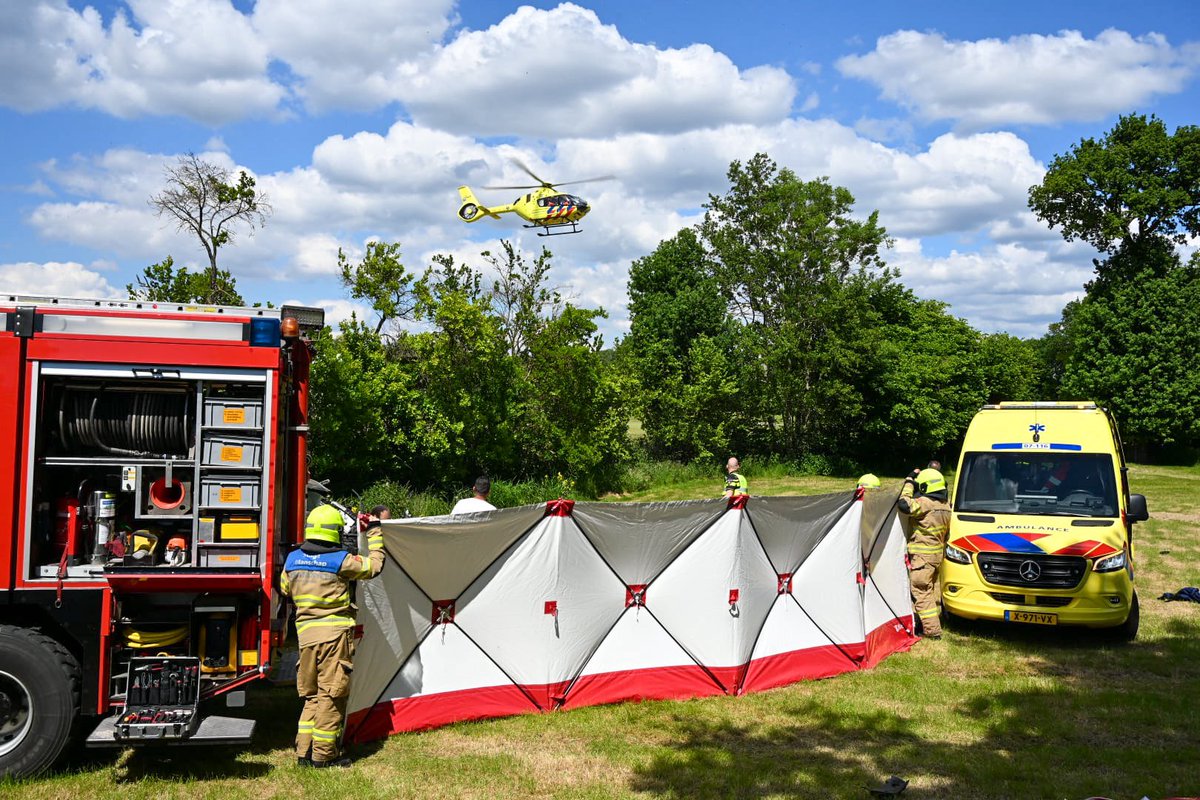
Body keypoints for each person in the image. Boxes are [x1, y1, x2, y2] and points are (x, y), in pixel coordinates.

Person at [281, 503, 386, 767]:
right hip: (333, 638)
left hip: (305, 638)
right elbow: (373, 567)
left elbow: (284, 588)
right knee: (332, 695)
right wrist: (374, 532)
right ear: (336, 532)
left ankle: (304, 752)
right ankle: (324, 756)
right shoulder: (339, 560)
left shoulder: (293, 560)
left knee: (312, 696)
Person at [897, 467, 951, 640]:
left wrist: (909, 482)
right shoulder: (946, 506)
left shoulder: (926, 503)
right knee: (927, 591)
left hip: (923, 557)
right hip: (936, 557)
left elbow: (904, 504)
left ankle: (932, 631)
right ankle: (923, 622)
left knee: (921, 591)